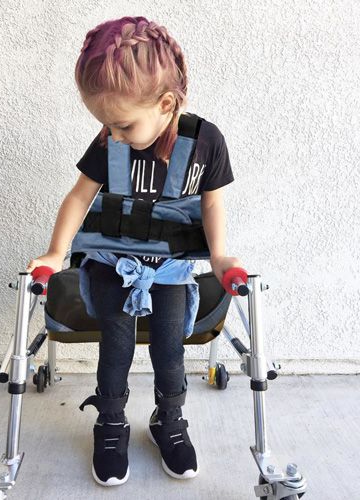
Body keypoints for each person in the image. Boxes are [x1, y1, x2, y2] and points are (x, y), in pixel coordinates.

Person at [26, 16, 243, 487]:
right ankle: (110, 423)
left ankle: (169, 419)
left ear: (165, 104)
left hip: (169, 271)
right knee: (117, 347)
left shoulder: (206, 142)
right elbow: (79, 196)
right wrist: (55, 252)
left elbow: (212, 203)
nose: (113, 133)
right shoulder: (112, 139)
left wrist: (220, 256)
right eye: (105, 124)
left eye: (122, 124)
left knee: (169, 349)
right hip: (113, 266)